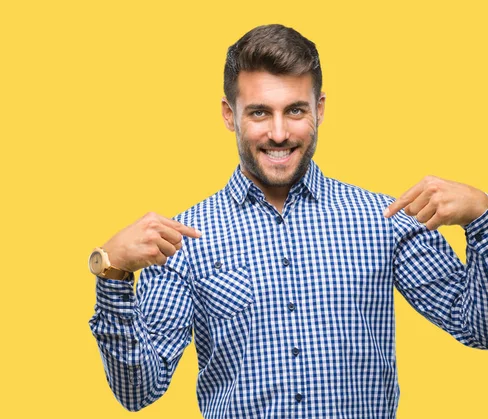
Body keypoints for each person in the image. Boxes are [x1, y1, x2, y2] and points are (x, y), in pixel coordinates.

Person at [88, 24, 488, 418]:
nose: (278, 133)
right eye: (260, 112)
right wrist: (113, 275)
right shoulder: (181, 240)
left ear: (320, 109)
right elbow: (138, 390)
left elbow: (478, 326)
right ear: (230, 115)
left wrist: (483, 218)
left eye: (295, 110)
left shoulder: (385, 220)